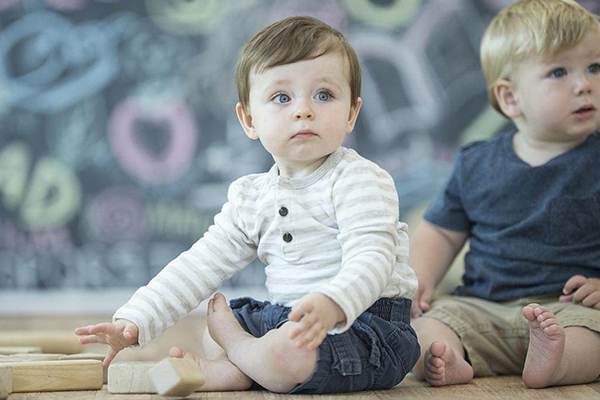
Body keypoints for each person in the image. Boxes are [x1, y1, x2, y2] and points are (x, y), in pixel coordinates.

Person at [75, 16, 420, 394]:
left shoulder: (359, 179)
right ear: (249, 119)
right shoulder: (252, 196)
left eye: (324, 95)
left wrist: (332, 303)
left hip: (367, 327)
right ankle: (240, 368)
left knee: (276, 346)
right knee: (220, 327)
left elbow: (372, 257)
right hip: (289, 322)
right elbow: (199, 264)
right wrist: (137, 320)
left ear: (352, 113)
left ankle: (242, 355)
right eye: (282, 98)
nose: (303, 110)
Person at [409, 0, 600, 389]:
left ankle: (556, 362)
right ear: (510, 97)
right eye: (559, 72)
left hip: (571, 310)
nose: (585, 84)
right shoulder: (476, 163)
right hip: (482, 308)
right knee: (423, 327)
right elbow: (441, 232)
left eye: (595, 67)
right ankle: (450, 358)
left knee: (594, 340)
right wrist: (419, 279)